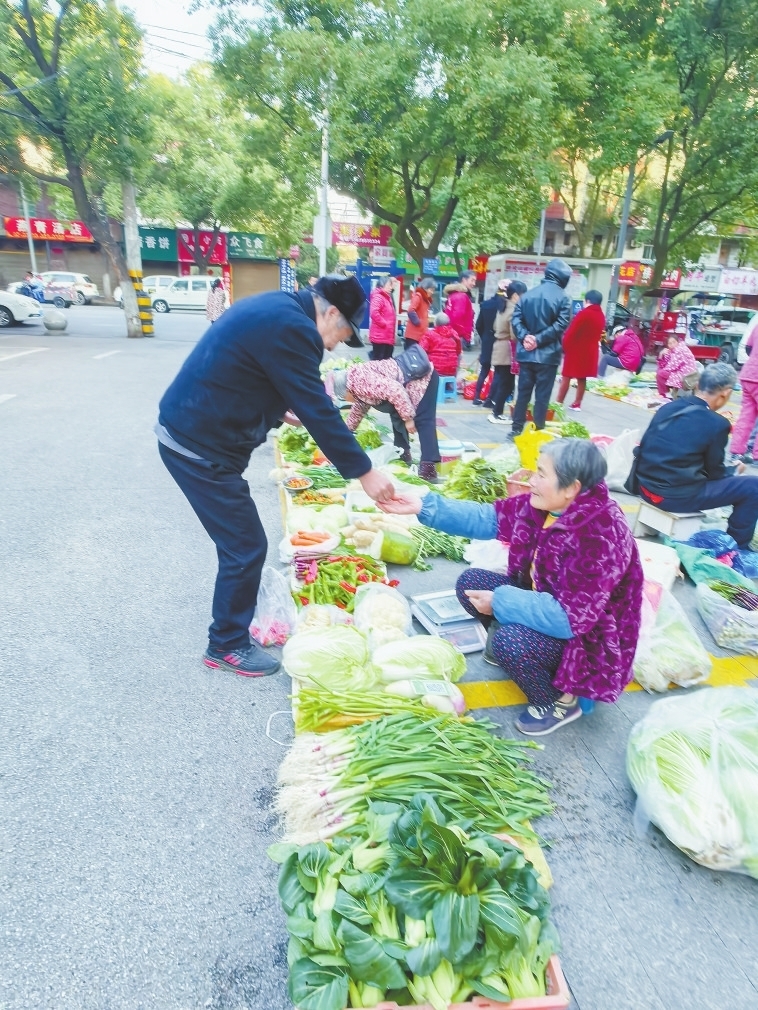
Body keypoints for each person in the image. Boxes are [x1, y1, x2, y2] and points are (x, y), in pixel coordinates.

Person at [157, 274, 395, 677]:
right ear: (331, 311)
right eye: (342, 333)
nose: (336, 343)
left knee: (240, 542)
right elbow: (319, 411)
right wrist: (365, 472)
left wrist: (278, 409)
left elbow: (256, 371)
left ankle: (230, 631)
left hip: (196, 434)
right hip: (197, 447)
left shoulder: (280, 307)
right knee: (245, 545)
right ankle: (226, 645)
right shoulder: (295, 328)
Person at [380, 439, 643, 736]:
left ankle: (559, 701)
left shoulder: (600, 534)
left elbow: (569, 619)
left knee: (511, 642)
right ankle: (528, 655)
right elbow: (488, 518)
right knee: (471, 583)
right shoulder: (548, 506)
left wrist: (501, 601)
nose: (531, 481)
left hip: (588, 639)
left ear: (571, 488)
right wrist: (425, 507)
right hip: (546, 601)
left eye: (541, 474)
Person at [633, 363, 758, 549]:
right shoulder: (717, 423)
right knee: (752, 486)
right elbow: (715, 473)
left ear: (699, 384)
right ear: (726, 393)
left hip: (644, 487)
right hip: (674, 497)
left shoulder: (668, 408)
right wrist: (733, 470)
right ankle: (737, 547)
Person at [329, 348, 441, 482]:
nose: (346, 400)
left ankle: (429, 469)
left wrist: (408, 418)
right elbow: (359, 410)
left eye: (343, 397)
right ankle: (403, 454)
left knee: (423, 420)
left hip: (423, 379)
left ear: (346, 390)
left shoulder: (361, 381)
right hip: (408, 382)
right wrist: (345, 432)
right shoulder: (356, 385)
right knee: (396, 415)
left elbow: (395, 390)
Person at [509, 258, 572, 437]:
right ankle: (537, 430)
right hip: (548, 356)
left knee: (523, 394)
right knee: (542, 397)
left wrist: (526, 337)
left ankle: (516, 429)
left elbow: (516, 320)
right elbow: (561, 324)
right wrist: (538, 339)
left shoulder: (527, 295)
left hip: (526, 355)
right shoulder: (564, 298)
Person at [555, 289, 605, 411]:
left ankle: (558, 403)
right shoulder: (601, 315)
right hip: (590, 351)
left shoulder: (584, 313)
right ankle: (577, 403)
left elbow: (571, 333)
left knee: (566, 376)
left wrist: (564, 347)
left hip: (576, 350)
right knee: (582, 378)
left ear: (587, 300)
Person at [488, 281, 527, 424]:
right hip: (506, 350)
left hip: (499, 347)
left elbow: (494, 326)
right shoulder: (513, 310)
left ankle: (496, 411)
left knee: (503, 382)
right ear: (516, 296)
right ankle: (496, 413)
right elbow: (514, 334)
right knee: (507, 384)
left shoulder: (502, 307)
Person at [472, 282, 506, 405]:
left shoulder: (486, 304)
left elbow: (478, 325)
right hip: (500, 341)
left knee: (484, 369)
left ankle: (476, 397)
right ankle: (489, 399)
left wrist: (484, 336)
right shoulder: (505, 306)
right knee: (498, 371)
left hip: (487, 339)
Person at [730, 317, 758, 465]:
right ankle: (755, 454)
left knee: (746, 416)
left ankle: (736, 452)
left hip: (748, 374)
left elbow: (748, 348)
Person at [655, 334, 699, 398]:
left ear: (678, 342)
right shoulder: (672, 351)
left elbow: (673, 366)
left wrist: (661, 371)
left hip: (686, 375)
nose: (672, 345)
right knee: (660, 372)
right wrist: (661, 354)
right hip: (680, 372)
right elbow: (663, 364)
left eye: (674, 342)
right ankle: (666, 393)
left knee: (660, 373)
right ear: (668, 345)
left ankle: (666, 394)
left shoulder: (680, 349)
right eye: (670, 343)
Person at [443, 270, 477, 350]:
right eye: (472, 280)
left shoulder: (453, 294)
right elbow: (456, 317)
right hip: (458, 337)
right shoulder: (461, 296)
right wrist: (464, 335)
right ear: (464, 280)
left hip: (452, 334)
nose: (474, 284)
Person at [420, 312, 461, 377]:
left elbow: (421, 351)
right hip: (451, 371)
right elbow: (458, 352)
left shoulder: (429, 334)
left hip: (434, 371)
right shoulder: (454, 334)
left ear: (435, 323)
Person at [368, 275, 397, 360]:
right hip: (380, 336)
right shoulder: (378, 296)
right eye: (389, 285)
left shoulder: (386, 297)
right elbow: (374, 313)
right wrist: (384, 324)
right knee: (378, 360)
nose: (391, 287)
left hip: (386, 336)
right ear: (382, 284)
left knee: (386, 360)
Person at [404, 277, 435, 349]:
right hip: (414, 335)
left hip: (419, 334)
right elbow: (411, 310)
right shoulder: (419, 296)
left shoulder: (425, 299)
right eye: (431, 290)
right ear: (425, 288)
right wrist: (418, 322)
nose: (432, 292)